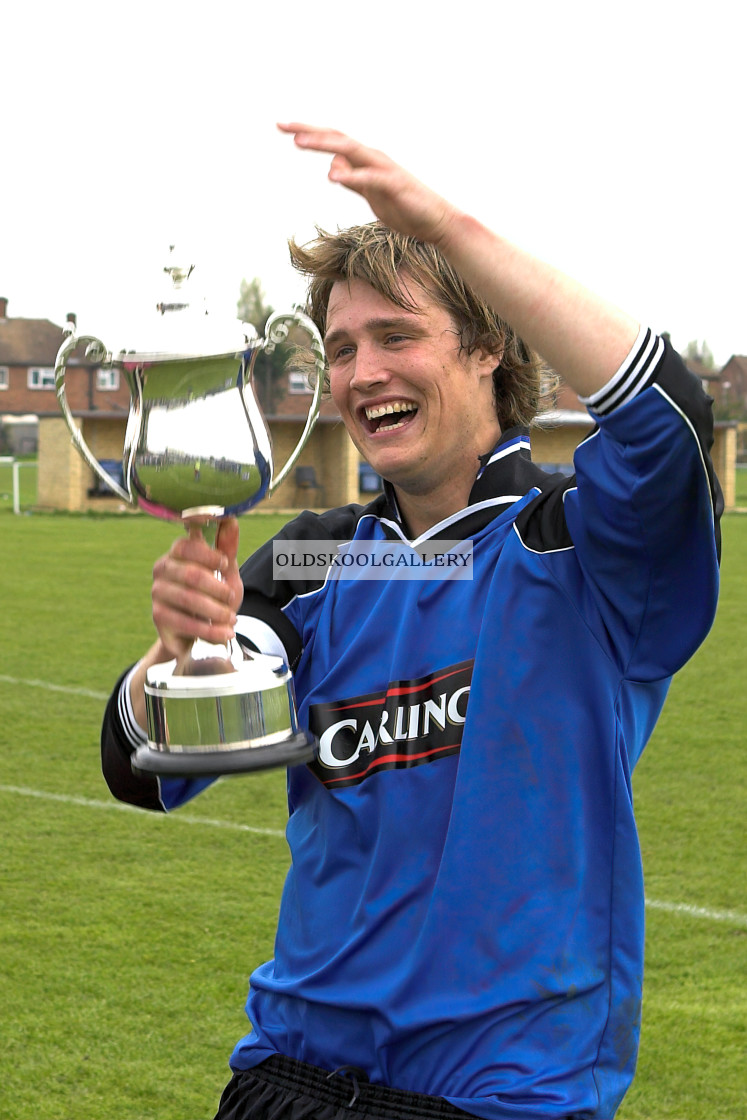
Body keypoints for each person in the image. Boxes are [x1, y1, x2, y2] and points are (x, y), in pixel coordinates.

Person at [101, 124, 722, 1120]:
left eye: (398, 336)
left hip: (497, 1098)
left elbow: (667, 418)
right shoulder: (311, 560)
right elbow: (138, 767)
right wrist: (172, 659)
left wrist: (447, 228)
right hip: (288, 1076)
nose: (362, 373)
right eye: (342, 349)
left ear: (486, 346)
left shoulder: (585, 542)